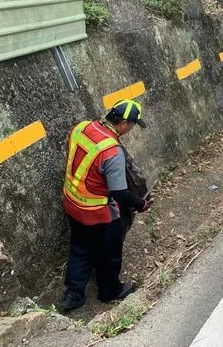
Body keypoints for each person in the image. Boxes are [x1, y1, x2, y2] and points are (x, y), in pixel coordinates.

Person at [60, 99, 153, 312]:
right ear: (124, 124)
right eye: (131, 126)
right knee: (109, 252)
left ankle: (73, 295)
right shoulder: (112, 152)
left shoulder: (81, 128)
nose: (130, 130)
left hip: (72, 203)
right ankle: (109, 291)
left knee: (79, 248)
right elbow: (119, 192)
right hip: (96, 212)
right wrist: (140, 204)